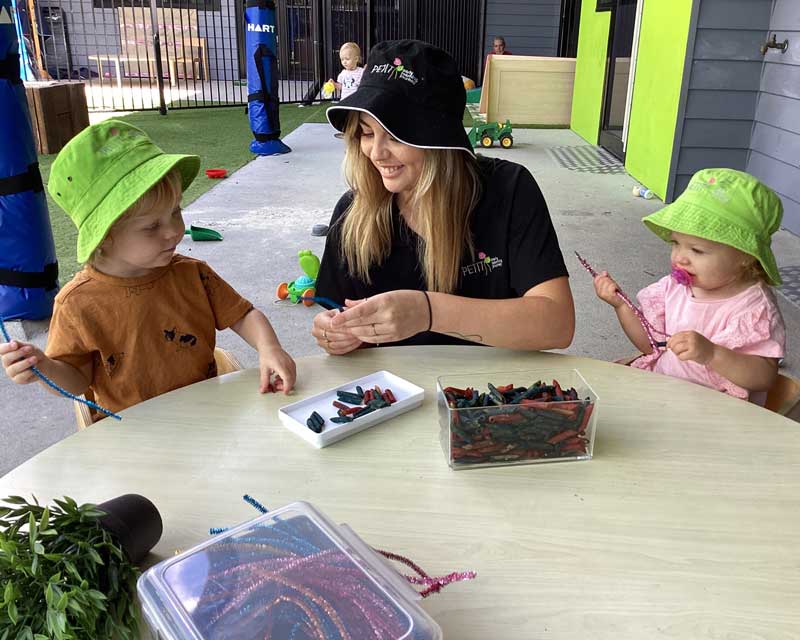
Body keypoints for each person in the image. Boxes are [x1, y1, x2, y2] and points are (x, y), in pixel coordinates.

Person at [0, 120, 296, 419]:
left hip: (205, 416)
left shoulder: (193, 274)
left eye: (175, 212)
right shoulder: (76, 304)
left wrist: (269, 347)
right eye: (152, 226)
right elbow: (77, 380)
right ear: (103, 238)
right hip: (131, 432)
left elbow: (244, 315)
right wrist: (43, 367)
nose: (173, 231)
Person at [312, 39, 574, 354]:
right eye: (366, 133)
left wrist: (428, 312)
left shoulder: (509, 190)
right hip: (392, 397)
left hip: (490, 391)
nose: (376, 153)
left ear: (440, 140)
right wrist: (335, 333)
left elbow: (557, 324)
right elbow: (335, 312)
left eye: (395, 135)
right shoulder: (353, 213)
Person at [593, 168, 786, 404]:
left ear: (745, 256)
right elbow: (650, 345)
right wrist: (620, 306)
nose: (680, 258)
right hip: (664, 394)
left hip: (716, 412)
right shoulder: (673, 288)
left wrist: (713, 353)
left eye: (696, 250)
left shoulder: (754, 309)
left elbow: (764, 377)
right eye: (676, 244)